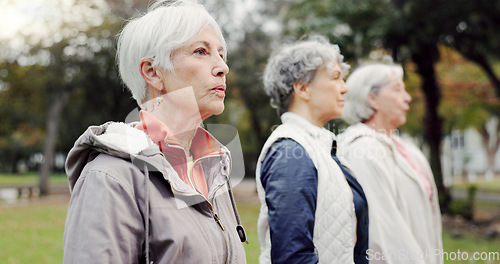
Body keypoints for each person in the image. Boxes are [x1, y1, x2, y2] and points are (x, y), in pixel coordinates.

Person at [62, 1, 247, 263]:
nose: (222, 67)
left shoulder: (214, 169)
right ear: (152, 72)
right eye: (201, 51)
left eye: (220, 53)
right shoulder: (109, 179)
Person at [255, 35, 369, 264]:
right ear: (303, 88)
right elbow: (292, 256)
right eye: (336, 77)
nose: (345, 88)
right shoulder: (290, 151)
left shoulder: (320, 146)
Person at [337, 62, 443, 264]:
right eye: (397, 89)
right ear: (372, 98)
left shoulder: (407, 149)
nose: (407, 97)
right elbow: (384, 232)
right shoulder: (363, 150)